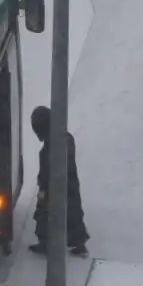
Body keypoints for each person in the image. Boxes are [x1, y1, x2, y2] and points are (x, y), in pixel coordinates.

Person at [29, 105, 90, 257]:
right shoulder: (64, 138)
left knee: (44, 213)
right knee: (72, 212)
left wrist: (44, 184)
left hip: (55, 185)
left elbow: (49, 168)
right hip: (68, 184)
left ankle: (46, 243)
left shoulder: (56, 143)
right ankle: (78, 242)